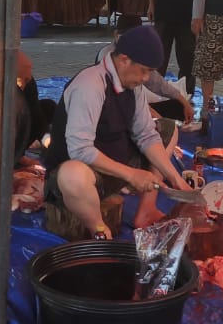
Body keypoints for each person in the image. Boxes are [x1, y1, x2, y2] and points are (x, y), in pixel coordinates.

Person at [43, 25, 192, 239]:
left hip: (115, 167)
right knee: (72, 175)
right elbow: (80, 150)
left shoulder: (135, 86)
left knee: (166, 129)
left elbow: (146, 134)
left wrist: (176, 179)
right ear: (124, 60)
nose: (146, 78)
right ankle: (99, 230)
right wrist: (132, 174)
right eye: (144, 70)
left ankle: (146, 210)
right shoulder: (90, 85)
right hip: (83, 172)